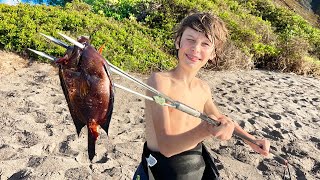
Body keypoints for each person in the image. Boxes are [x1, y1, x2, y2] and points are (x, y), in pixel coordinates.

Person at [133, 12, 270, 180]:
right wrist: (205, 130)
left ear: (213, 54)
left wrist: (251, 140)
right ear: (178, 41)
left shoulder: (203, 88)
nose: (195, 48)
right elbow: (166, 148)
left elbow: (221, 118)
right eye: (190, 40)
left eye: (205, 44)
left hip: (192, 167)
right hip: (159, 170)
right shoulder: (160, 82)